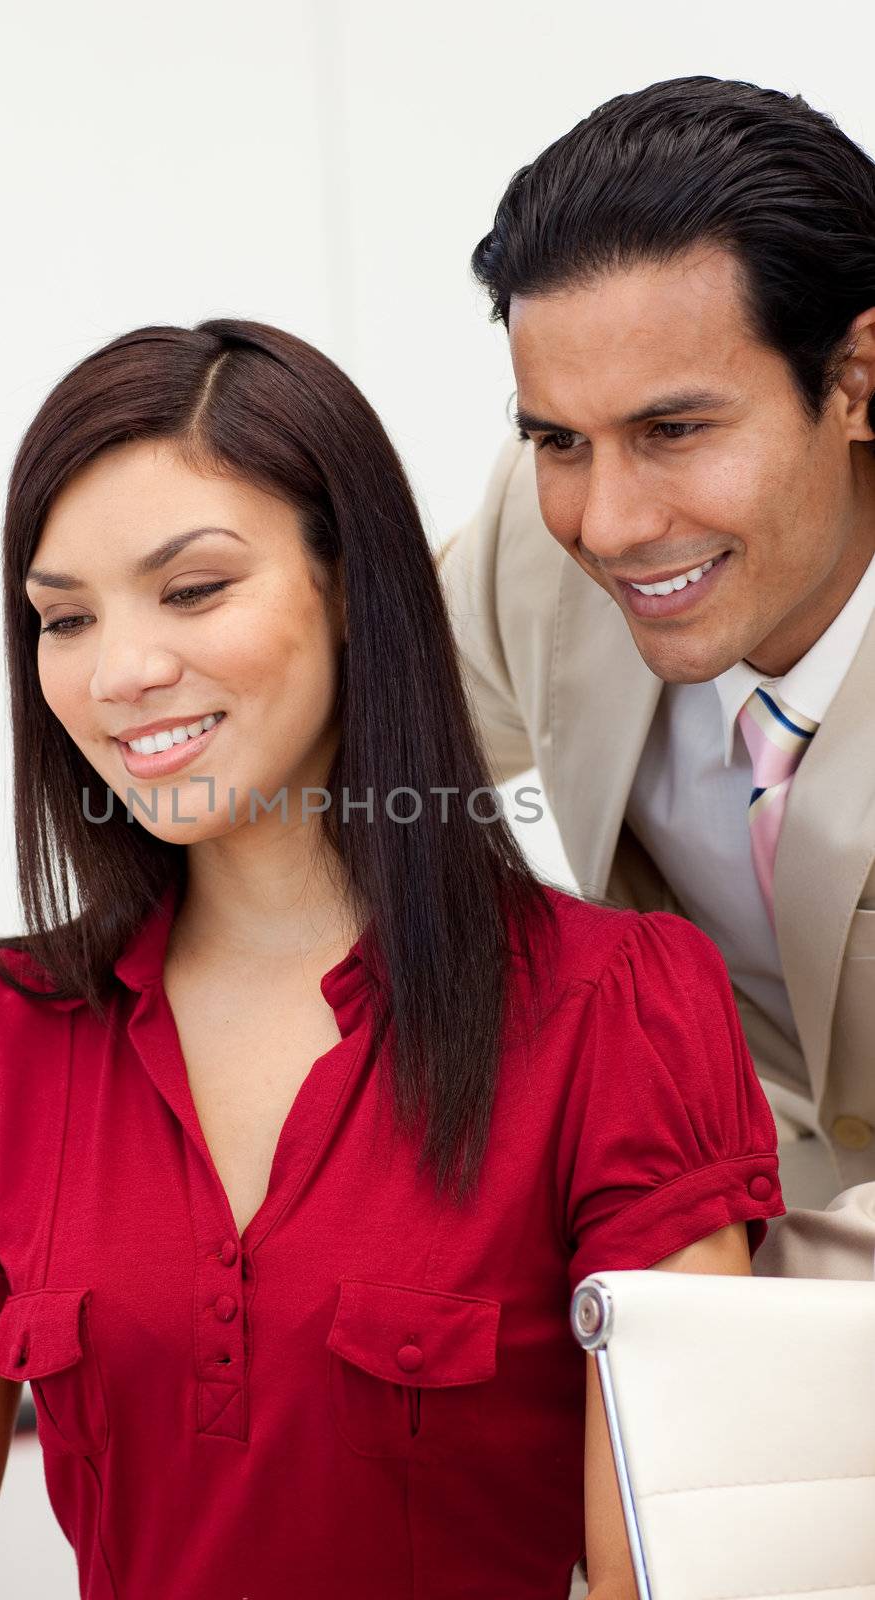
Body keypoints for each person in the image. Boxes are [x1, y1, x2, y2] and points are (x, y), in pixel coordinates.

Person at [0, 319, 781, 1600]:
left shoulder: (611, 1011)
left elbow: (667, 1573)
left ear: (350, 587)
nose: (123, 670)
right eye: (64, 618)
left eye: (193, 590)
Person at [439, 75, 875, 1280]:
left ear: (854, 381)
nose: (612, 524)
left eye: (673, 430)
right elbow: (349, 763)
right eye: (556, 440)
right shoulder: (536, 552)